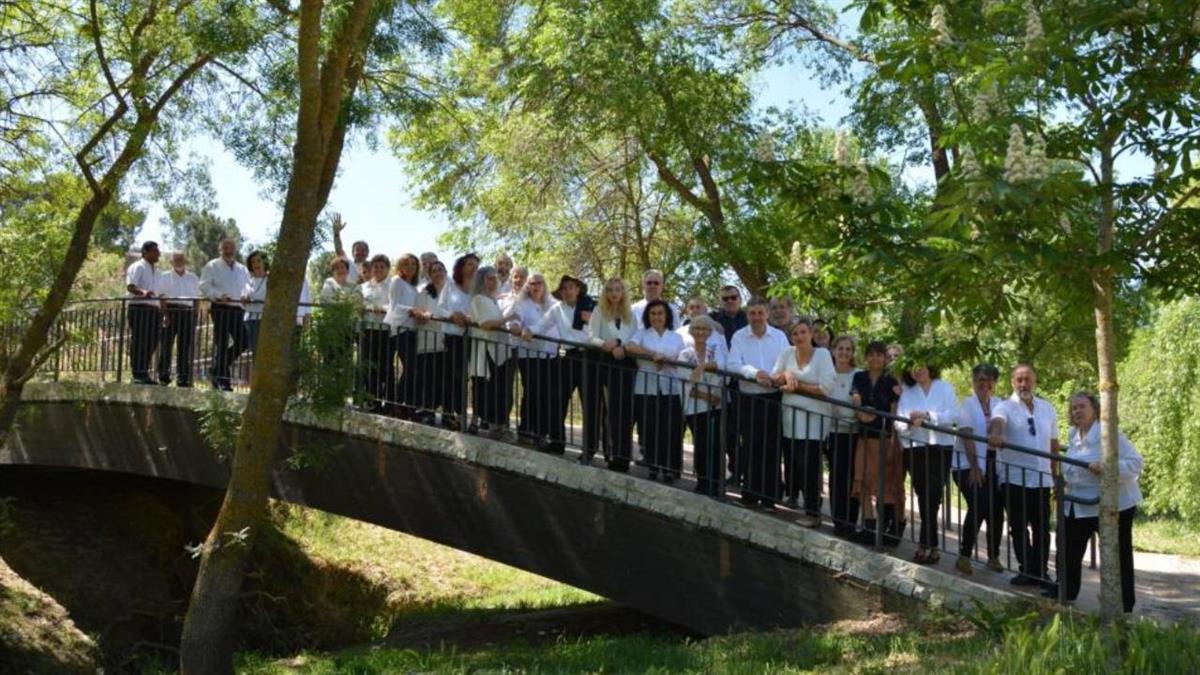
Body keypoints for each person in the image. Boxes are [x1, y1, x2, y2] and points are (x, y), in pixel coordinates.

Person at [1048, 391, 1142, 610]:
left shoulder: (1109, 435)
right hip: (1079, 503)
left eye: (1082, 406)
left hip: (1114, 505)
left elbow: (1136, 463)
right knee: (1067, 548)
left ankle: (1123, 605)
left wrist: (1107, 467)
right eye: (1074, 408)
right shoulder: (1073, 435)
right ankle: (1066, 592)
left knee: (1118, 556)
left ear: (1095, 410)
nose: (1077, 411)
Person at [987, 364, 1059, 588]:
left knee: (1042, 528)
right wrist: (996, 435)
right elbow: (997, 423)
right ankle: (1026, 569)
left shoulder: (1047, 408)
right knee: (1018, 527)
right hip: (1015, 477)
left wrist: (1056, 475)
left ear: (1035, 381)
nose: (1023, 384)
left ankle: (1041, 572)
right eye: (1019, 380)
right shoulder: (1004, 407)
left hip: (1042, 478)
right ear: (1012, 382)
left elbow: (1054, 444)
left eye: (1027, 379)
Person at [770, 318, 836, 527]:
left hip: (814, 421)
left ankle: (813, 512)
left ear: (811, 334)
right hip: (791, 419)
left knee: (810, 465)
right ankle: (798, 500)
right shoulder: (787, 353)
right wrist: (786, 374)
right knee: (795, 463)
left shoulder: (822, 355)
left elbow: (826, 388)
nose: (799, 337)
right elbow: (774, 377)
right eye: (795, 333)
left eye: (803, 332)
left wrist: (797, 385)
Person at [727, 297, 790, 509]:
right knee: (751, 446)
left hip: (773, 398)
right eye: (752, 313)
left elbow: (787, 364)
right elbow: (733, 364)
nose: (756, 317)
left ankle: (770, 498)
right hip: (749, 398)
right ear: (747, 315)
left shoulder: (779, 337)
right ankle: (751, 495)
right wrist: (755, 374)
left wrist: (775, 377)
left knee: (772, 448)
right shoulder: (739, 336)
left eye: (760, 313)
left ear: (767, 314)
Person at [895, 358, 958, 564]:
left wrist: (928, 416)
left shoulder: (945, 388)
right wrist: (910, 423)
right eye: (913, 368)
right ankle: (931, 545)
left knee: (934, 494)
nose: (918, 370)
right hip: (916, 448)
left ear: (929, 366)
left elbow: (954, 416)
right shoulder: (908, 393)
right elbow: (898, 424)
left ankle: (926, 544)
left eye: (921, 366)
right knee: (923, 494)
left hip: (941, 447)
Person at [524, 274, 595, 455]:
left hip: (590, 357)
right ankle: (557, 442)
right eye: (564, 289)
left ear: (578, 290)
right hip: (568, 357)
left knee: (590, 404)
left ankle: (589, 449)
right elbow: (542, 324)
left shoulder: (591, 307)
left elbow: (603, 330)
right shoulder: (557, 309)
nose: (568, 291)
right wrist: (529, 330)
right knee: (556, 399)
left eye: (571, 287)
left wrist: (592, 320)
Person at [952, 363, 1006, 575]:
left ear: (994, 382)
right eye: (980, 379)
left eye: (989, 379)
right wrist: (975, 467)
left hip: (993, 464)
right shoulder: (967, 404)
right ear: (974, 382)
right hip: (967, 465)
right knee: (979, 505)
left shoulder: (999, 404)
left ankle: (993, 556)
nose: (984, 383)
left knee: (996, 510)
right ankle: (964, 555)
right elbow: (967, 436)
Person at [626, 299, 685, 482]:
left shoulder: (676, 337)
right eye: (653, 314)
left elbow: (683, 360)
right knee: (649, 428)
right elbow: (630, 346)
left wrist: (666, 360)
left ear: (666, 316)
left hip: (671, 389)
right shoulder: (642, 334)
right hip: (646, 388)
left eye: (660, 313)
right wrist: (652, 355)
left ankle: (669, 469)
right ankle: (652, 466)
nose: (656, 317)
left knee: (670, 429)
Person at [851, 341, 903, 545]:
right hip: (864, 436)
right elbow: (855, 397)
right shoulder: (859, 376)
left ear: (884, 358)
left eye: (879, 355)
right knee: (862, 480)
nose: (875, 359)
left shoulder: (891, 381)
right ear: (866, 357)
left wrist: (893, 438)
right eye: (871, 354)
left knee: (886, 485)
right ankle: (868, 526)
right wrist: (861, 414)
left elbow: (893, 411)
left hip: (883, 438)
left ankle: (892, 529)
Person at [587, 277, 638, 470]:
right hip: (607, 363)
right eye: (610, 290)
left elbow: (635, 336)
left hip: (627, 363)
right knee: (611, 410)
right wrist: (606, 345)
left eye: (617, 289)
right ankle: (611, 453)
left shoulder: (630, 314)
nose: (614, 293)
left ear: (623, 292)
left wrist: (622, 346)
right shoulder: (599, 311)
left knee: (625, 411)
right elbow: (591, 337)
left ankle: (623, 457)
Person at [503, 273, 557, 447]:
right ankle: (526, 429)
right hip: (529, 355)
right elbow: (515, 319)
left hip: (550, 355)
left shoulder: (553, 303)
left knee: (546, 394)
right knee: (532, 391)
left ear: (544, 285)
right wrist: (516, 326)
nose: (536, 286)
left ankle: (542, 432)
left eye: (539, 283)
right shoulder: (522, 303)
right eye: (532, 283)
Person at [677, 316, 726, 496]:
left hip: (716, 404)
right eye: (697, 328)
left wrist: (703, 366)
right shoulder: (686, 354)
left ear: (710, 332)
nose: (700, 332)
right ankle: (703, 481)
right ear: (691, 331)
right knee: (701, 444)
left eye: (704, 329)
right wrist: (707, 396)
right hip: (695, 406)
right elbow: (686, 382)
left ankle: (717, 482)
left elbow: (722, 366)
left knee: (716, 444)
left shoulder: (715, 350)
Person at [468, 265, 512, 435]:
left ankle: (493, 423)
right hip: (485, 348)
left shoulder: (493, 300)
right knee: (482, 385)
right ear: (482, 280)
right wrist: (508, 319)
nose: (493, 281)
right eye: (489, 278)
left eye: (495, 278)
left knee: (495, 388)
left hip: (497, 348)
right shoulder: (479, 299)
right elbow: (486, 324)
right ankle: (477, 421)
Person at [200, 239, 249, 391]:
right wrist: (219, 295)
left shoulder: (242, 268)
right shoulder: (212, 265)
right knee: (221, 344)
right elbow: (204, 285)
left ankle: (217, 368)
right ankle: (224, 383)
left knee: (243, 341)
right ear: (220, 250)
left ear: (235, 250)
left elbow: (248, 285)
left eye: (231, 248)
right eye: (225, 248)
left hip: (238, 309)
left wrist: (247, 294)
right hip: (220, 308)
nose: (228, 251)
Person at [439, 253, 480, 429]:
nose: (474, 268)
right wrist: (452, 315)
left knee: (466, 377)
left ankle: (463, 414)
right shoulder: (450, 286)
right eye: (470, 264)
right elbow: (439, 309)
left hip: (472, 338)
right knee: (451, 375)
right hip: (452, 337)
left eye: (476, 265)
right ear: (461, 267)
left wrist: (472, 318)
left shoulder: (479, 289)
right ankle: (449, 414)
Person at [825, 335, 860, 537]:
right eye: (840, 348)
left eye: (848, 349)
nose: (844, 353)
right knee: (837, 476)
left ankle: (851, 522)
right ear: (833, 351)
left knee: (853, 477)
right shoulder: (827, 373)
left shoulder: (859, 375)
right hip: (833, 432)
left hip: (854, 433)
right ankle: (838, 521)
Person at [409, 260, 448, 424]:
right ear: (430, 275)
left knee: (442, 379)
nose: (438, 273)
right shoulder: (425, 293)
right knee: (427, 378)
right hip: (428, 341)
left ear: (445, 272)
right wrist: (421, 315)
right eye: (434, 271)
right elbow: (416, 310)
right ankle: (427, 411)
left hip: (447, 342)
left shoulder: (451, 291)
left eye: (440, 269)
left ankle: (442, 411)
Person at [382, 253, 419, 415]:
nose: (410, 267)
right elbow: (395, 306)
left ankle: (401, 402)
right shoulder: (397, 281)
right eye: (406, 264)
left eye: (413, 264)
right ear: (400, 267)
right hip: (398, 329)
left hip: (411, 330)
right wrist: (411, 310)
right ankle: (396, 402)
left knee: (412, 369)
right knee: (409, 367)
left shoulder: (414, 287)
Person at [155, 251, 199, 387]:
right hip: (170, 311)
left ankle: (183, 377)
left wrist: (195, 315)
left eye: (181, 259)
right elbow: (161, 297)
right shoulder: (164, 276)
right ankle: (163, 376)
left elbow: (196, 299)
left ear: (185, 261)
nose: (179, 261)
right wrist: (165, 314)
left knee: (184, 346)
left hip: (187, 312)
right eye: (176, 259)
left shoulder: (193, 277)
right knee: (166, 345)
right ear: (171, 262)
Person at [360, 254, 394, 412]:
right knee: (369, 366)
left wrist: (383, 309)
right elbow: (359, 303)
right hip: (368, 329)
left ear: (387, 269)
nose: (378, 269)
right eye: (376, 267)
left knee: (385, 366)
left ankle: (388, 402)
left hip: (386, 330)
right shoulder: (364, 286)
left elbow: (395, 305)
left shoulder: (392, 285)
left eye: (382, 267)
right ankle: (372, 400)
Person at [125, 241, 161, 384]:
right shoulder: (137, 266)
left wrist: (164, 311)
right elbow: (131, 286)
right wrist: (143, 292)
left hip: (154, 309)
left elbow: (160, 292)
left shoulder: (157, 271)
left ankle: (144, 371)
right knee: (140, 341)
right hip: (139, 308)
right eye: (155, 251)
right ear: (145, 252)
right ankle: (138, 374)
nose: (158, 253)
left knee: (152, 341)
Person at [241, 250, 269, 354]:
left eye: (258, 261)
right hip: (250, 320)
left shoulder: (270, 279)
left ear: (264, 262)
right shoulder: (248, 281)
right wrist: (244, 297)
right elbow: (243, 297)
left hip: (266, 319)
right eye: (253, 262)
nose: (256, 264)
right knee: (256, 351)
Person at [331, 213, 369, 284]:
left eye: (363, 250)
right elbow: (339, 250)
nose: (360, 252)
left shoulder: (374, 268)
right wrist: (336, 234)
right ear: (352, 253)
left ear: (367, 253)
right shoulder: (348, 265)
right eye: (358, 250)